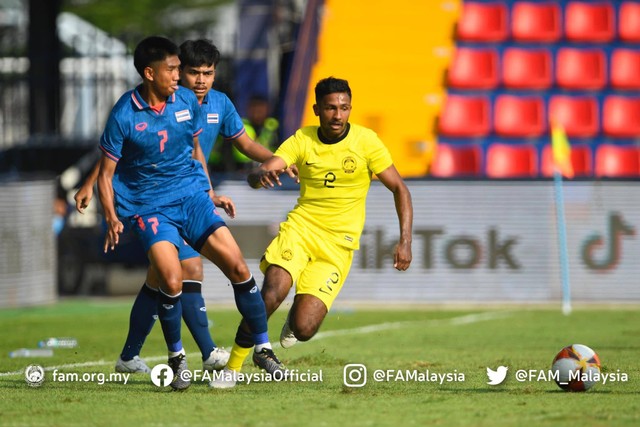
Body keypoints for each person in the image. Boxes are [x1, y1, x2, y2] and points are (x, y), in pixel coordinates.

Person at [75, 39, 290, 377]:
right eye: (186, 72)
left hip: (191, 195)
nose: (195, 79)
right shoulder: (130, 111)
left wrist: (213, 190)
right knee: (178, 276)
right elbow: (115, 160)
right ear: (156, 73)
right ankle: (192, 355)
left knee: (200, 272)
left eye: (207, 73)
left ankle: (254, 349)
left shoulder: (201, 102)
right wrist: (98, 195)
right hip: (150, 205)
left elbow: (203, 151)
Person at [210, 76, 413, 388]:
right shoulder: (302, 139)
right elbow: (268, 167)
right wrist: (260, 175)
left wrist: (405, 241)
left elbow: (400, 188)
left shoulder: (366, 142)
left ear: (350, 109)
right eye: (331, 108)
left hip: (338, 245)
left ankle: (293, 321)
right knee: (272, 293)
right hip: (301, 230)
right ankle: (233, 369)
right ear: (317, 109)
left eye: (344, 108)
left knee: (305, 329)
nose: (338, 115)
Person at [231, 95, 280, 169]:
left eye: (260, 109)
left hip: (269, 169)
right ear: (248, 109)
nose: (256, 112)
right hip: (240, 169)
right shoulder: (239, 124)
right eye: (254, 108)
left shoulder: (274, 125)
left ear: (267, 109)